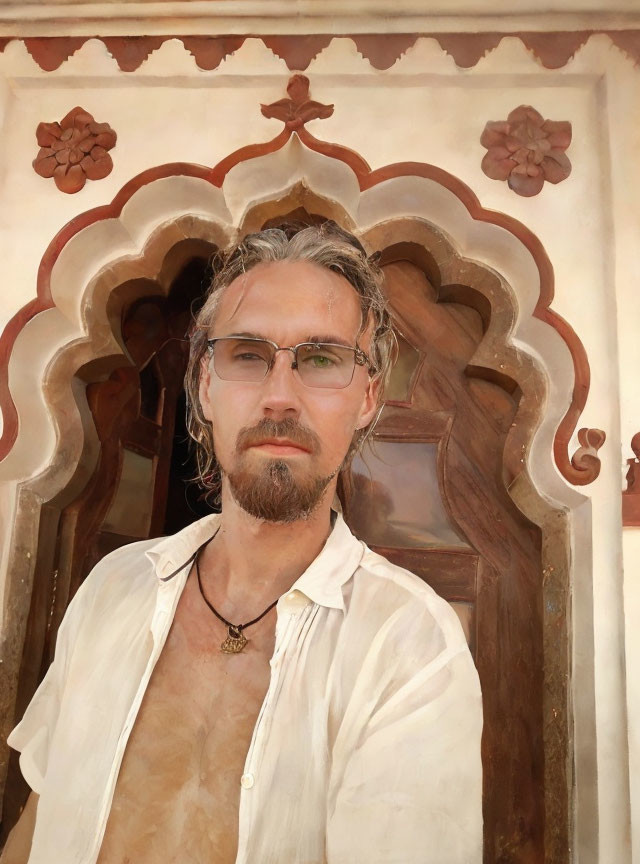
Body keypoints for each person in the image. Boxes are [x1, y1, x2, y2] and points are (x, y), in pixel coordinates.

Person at [1, 223, 483, 864]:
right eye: (248, 355)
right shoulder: (113, 588)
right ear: (204, 384)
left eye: (321, 359)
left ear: (367, 397)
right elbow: (40, 822)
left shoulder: (408, 646)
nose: (280, 397)